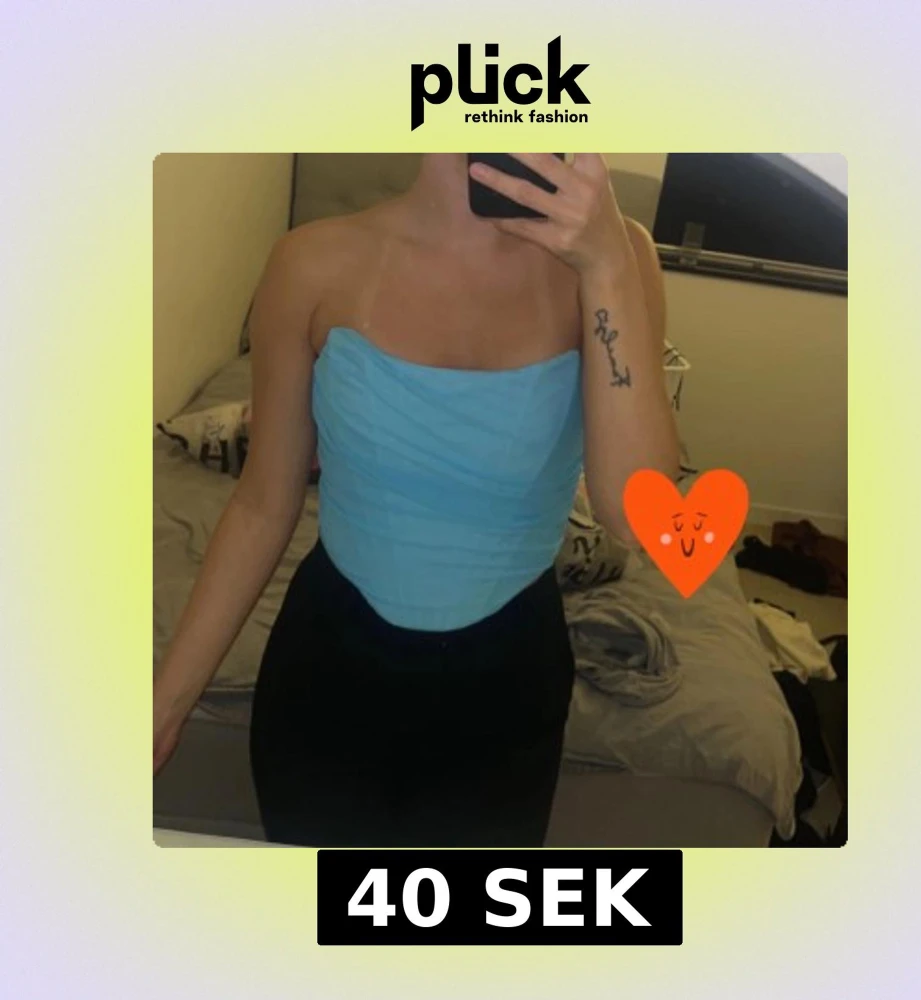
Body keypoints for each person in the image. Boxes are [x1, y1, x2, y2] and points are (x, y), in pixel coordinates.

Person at [152, 153, 681, 847]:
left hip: (511, 683)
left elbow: (637, 516)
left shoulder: (622, 254)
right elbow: (261, 504)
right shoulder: (311, 263)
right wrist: (165, 705)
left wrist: (605, 264)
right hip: (327, 671)